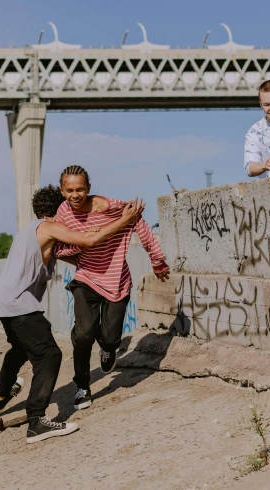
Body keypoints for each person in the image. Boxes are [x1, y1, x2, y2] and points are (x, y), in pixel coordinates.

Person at [0, 184, 145, 444]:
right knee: (48, 354)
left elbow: (75, 256)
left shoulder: (32, 232)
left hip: (2, 300)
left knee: (19, 348)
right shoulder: (50, 227)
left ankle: (2, 394)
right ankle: (37, 421)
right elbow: (88, 241)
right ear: (59, 208)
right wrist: (124, 220)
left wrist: (98, 262)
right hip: (19, 304)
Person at [54, 165, 170, 411]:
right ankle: (82, 387)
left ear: (89, 188)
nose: (75, 195)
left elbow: (137, 221)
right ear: (62, 191)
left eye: (80, 189)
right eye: (70, 190)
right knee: (84, 336)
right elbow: (58, 250)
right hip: (85, 279)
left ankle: (108, 349)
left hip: (117, 279)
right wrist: (84, 243)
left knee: (110, 337)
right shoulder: (63, 214)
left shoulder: (111, 206)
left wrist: (157, 260)